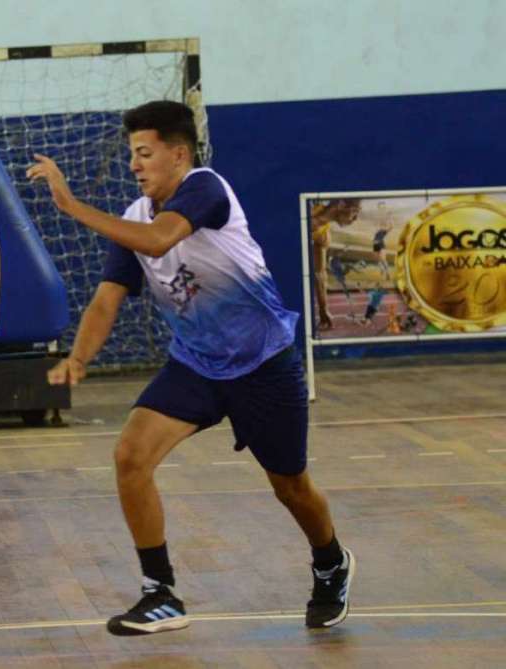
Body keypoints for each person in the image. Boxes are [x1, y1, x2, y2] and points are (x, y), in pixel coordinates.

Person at [28, 100, 354, 635]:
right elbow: (108, 298)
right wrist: (78, 358)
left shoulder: (206, 188)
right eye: (132, 154)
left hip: (262, 363)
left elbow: (161, 239)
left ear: (178, 155)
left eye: (144, 153)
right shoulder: (135, 217)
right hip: (197, 365)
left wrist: (71, 205)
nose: (134, 165)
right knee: (131, 456)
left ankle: (330, 561)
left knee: (290, 486)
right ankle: (160, 593)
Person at [309, 199, 360, 330]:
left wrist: (323, 310)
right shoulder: (309, 206)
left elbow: (320, 275)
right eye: (354, 212)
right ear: (341, 205)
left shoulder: (323, 235)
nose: (355, 219)